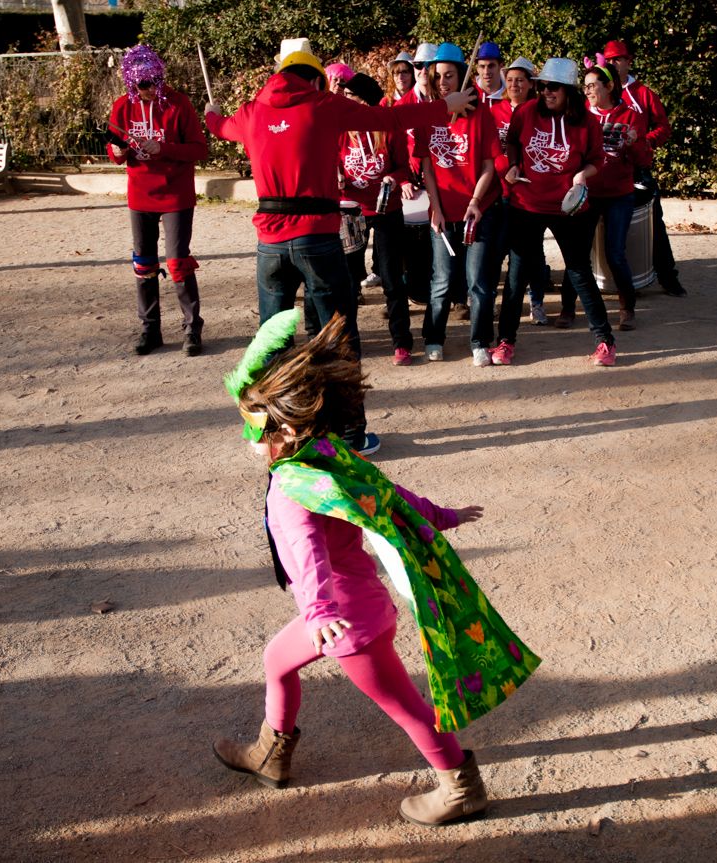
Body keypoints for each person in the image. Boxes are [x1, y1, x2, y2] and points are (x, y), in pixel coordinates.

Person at [215, 308, 540, 825]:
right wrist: (440, 515)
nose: (249, 438)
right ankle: (270, 755)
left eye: (251, 424)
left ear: (279, 427)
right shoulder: (330, 457)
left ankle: (461, 787)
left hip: (347, 624)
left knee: (408, 708)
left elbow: (305, 553)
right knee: (276, 661)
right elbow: (391, 497)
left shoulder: (292, 487)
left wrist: (320, 612)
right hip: (355, 610)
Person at [205, 41, 478, 454]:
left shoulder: (250, 112)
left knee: (271, 344)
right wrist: (447, 105)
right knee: (337, 336)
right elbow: (390, 117)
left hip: (270, 245)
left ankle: (277, 434)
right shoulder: (323, 105)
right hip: (317, 239)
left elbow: (219, 126)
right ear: (315, 77)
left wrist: (209, 114)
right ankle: (351, 435)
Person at [503, 57, 618, 366]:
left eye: (553, 87)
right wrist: (513, 165)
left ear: (569, 90)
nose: (546, 92)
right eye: (542, 87)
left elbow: (598, 159)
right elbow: (511, 141)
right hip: (526, 204)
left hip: (568, 208)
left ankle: (605, 342)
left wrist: (582, 175)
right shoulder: (526, 112)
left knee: (579, 271)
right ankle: (505, 341)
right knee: (517, 275)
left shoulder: (588, 122)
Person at [106, 44, 209, 356]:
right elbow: (113, 151)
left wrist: (164, 149)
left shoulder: (179, 105)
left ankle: (192, 328)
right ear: (131, 83)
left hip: (176, 194)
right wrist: (119, 152)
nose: (149, 89)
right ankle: (150, 328)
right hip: (140, 195)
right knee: (143, 263)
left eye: (154, 82)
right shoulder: (123, 106)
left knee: (178, 262)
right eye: (142, 85)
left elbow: (199, 150)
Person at [417, 42, 503, 366]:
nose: (443, 83)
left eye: (450, 76)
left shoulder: (482, 114)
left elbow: (488, 166)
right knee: (441, 281)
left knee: (478, 283)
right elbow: (426, 166)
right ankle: (434, 337)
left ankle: (480, 341)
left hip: (476, 210)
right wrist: (435, 209)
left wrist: (476, 201)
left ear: (463, 79)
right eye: (439, 77)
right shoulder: (430, 113)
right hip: (443, 211)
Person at [338, 73, 416, 365]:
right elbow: (329, 165)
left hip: (386, 210)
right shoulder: (339, 130)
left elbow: (403, 169)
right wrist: (336, 178)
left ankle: (401, 342)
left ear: (366, 104)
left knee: (391, 277)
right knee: (349, 281)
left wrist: (394, 179)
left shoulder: (388, 128)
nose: (345, 104)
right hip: (350, 210)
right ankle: (348, 343)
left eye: (351, 99)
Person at [604, 39, 687, 297]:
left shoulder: (644, 94)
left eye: (619, 59)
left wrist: (643, 142)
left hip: (638, 168)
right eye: (610, 60)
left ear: (629, 61)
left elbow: (664, 127)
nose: (615, 64)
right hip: (606, 170)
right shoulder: (600, 91)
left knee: (653, 224)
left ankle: (668, 277)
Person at [583, 59, 650, 331]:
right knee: (578, 253)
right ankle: (567, 307)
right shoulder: (582, 116)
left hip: (619, 194)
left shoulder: (631, 116)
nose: (586, 91)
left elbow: (644, 159)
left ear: (609, 86)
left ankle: (627, 307)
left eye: (591, 85)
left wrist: (634, 143)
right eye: (584, 86)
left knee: (615, 253)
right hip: (587, 193)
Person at [492, 56, 550, 327]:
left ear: (530, 85)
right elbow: (489, 151)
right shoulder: (494, 112)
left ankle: (536, 302)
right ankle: (495, 303)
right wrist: (505, 168)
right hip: (501, 192)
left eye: (520, 80)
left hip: (530, 195)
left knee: (533, 253)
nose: (514, 84)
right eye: (510, 80)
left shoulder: (540, 111)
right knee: (498, 249)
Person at [396, 42, 440, 308]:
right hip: (411, 185)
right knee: (412, 248)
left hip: (445, 183)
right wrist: (402, 179)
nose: (423, 71)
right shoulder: (401, 106)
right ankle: (414, 291)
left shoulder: (450, 101)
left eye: (428, 65)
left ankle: (457, 296)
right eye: (418, 66)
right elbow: (390, 150)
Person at [474, 40, 505, 105]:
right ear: (477, 69)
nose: (486, 72)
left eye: (491, 66)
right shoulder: (469, 95)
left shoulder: (511, 96)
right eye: (482, 66)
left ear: (500, 66)